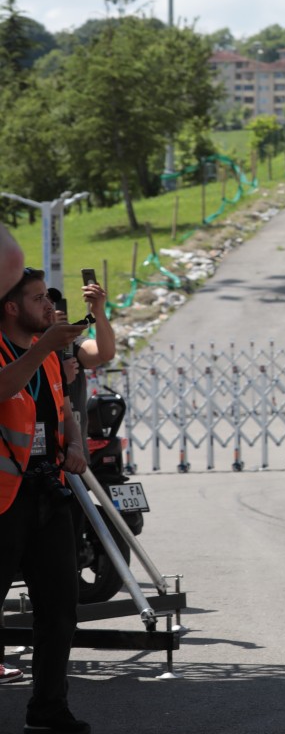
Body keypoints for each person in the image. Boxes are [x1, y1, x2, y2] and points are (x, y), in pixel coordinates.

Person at [1, 267, 116, 734]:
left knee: (60, 607)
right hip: (5, 500)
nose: (50, 306)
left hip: (48, 493)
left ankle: (48, 710)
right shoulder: (32, 350)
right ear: (11, 308)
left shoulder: (45, 350)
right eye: (37, 299)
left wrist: (73, 444)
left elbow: (63, 408)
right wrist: (46, 346)